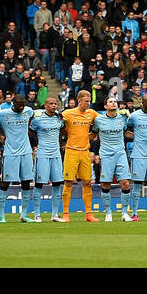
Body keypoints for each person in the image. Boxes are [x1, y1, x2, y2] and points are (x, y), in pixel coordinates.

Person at [0, 95, 36, 223]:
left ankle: (23, 215)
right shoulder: (3, 114)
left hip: (26, 152)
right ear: (13, 103)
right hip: (10, 153)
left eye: (23, 104)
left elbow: (38, 114)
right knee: (5, 183)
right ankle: (1, 215)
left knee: (26, 182)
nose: (21, 107)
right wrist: (1, 139)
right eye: (19, 104)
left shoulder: (28, 111)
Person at [61, 89, 98, 223]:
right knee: (69, 182)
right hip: (71, 151)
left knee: (87, 183)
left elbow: (102, 123)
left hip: (85, 151)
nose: (88, 104)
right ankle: (66, 214)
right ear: (79, 101)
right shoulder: (68, 113)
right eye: (86, 101)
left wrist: (94, 134)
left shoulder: (92, 113)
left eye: (89, 101)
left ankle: (89, 214)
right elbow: (58, 123)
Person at [92, 98, 132, 222]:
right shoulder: (98, 120)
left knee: (125, 183)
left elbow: (127, 132)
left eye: (115, 102)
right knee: (106, 184)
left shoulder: (123, 118)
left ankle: (125, 213)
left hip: (120, 154)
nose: (113, 103)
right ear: (105, 106)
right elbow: (93, 136)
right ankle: (108, 213)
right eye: (110, 102)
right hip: (106, 155)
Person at [31, 97, 65, 222]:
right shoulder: (38, 120)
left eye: (55, 104)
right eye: (51, 104)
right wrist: (35, 146)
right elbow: (31, 133)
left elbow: (63, 131)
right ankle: (37, 214)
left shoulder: (59, 119)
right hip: (43, 154)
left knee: (57, 183)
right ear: (45, 106)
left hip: (56, 154)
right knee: (39, 184)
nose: (54, 106)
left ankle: (55, 215)